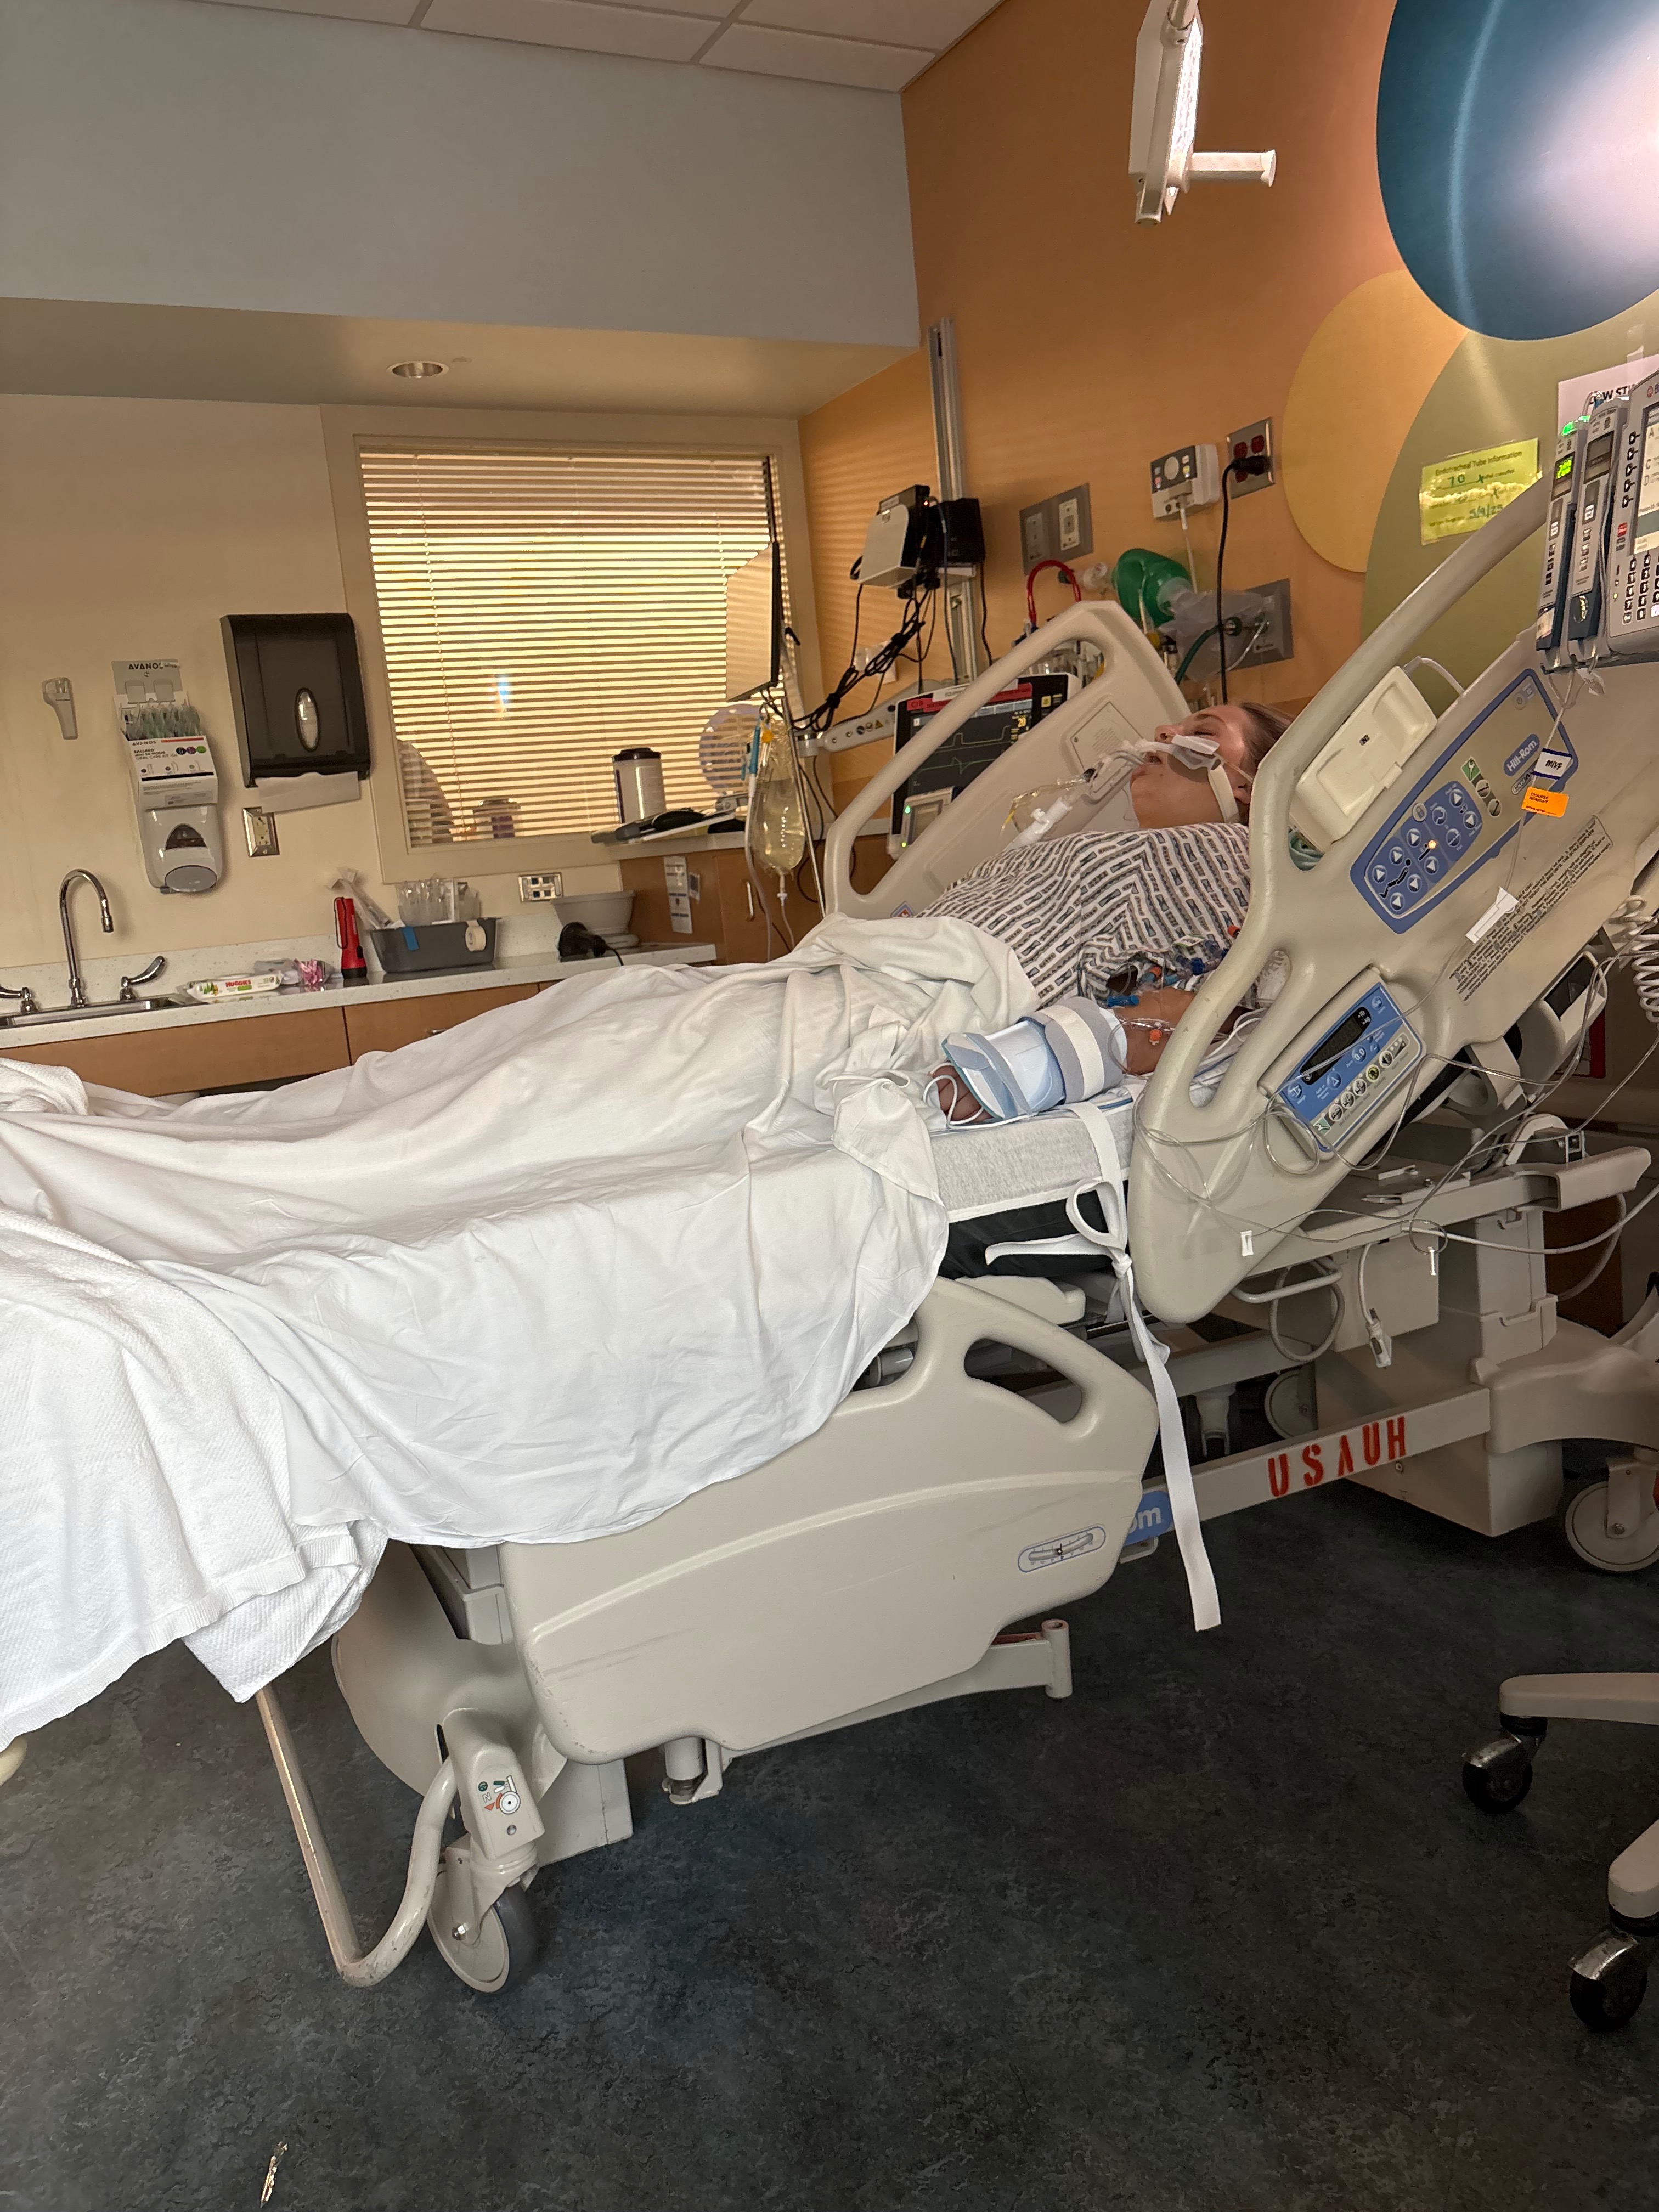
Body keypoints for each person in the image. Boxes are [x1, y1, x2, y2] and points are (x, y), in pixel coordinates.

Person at [923, 700, 1291, 1119]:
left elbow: (1201, 1006)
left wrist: (1032, 1062)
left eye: (1203, 732)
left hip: (943, 990)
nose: (1163, 731)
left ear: (1250, 785)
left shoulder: (1228, 855)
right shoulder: (1136, 850)